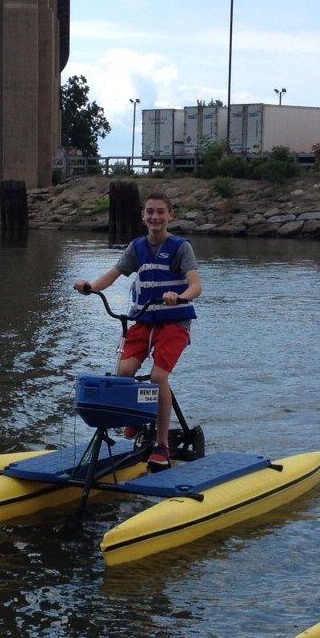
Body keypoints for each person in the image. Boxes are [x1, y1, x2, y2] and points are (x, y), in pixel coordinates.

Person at [73, 190, 202, 471]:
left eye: (160, 212)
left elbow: (196, 285)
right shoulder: (136, 247)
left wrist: (179, 296)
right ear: (143, 216)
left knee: (158, 376)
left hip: (173, 321)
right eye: (150, 212)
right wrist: (90, 288)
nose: (155, 217)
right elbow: (113, 274)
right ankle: (135, 419)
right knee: (124, 371)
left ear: (170, 216)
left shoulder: (181, 248)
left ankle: (162, 445)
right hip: (144, 320)